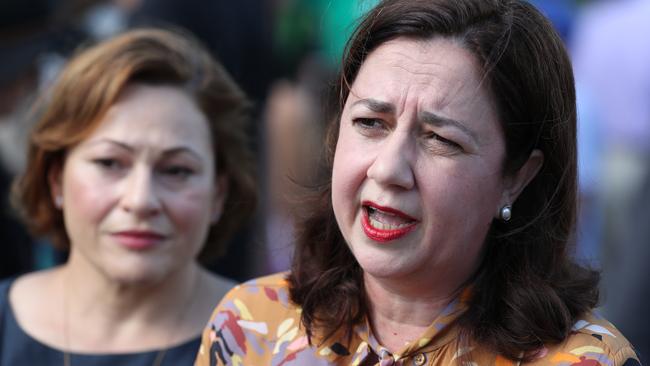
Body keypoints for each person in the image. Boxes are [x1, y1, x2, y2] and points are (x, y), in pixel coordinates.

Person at [195, 1, 641, 365]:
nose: (388, 169)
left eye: (439, 139)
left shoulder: (581, 360)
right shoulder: (252, 325)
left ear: (517, 178)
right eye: (370, 122)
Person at [1, 28, 256, 365]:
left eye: (176, 170)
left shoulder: (269, 337)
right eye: (109, 163)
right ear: (56, 178)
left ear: (219, 193)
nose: (140, 200)